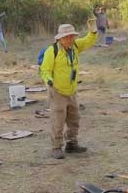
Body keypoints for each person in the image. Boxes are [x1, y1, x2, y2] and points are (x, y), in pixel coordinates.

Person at [40, 20, 98, 159]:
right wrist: (48, 80)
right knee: (58, 120)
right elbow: (44, 69)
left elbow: (88, 41)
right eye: (67, 37)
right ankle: (56, 147)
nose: (71, 39)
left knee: (74, 119)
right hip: (57, 92)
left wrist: (93, 31)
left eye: (72, 36)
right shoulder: (52, 51)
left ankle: (72, 144)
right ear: (60, 38)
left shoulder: (75, 46)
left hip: (72, 91)